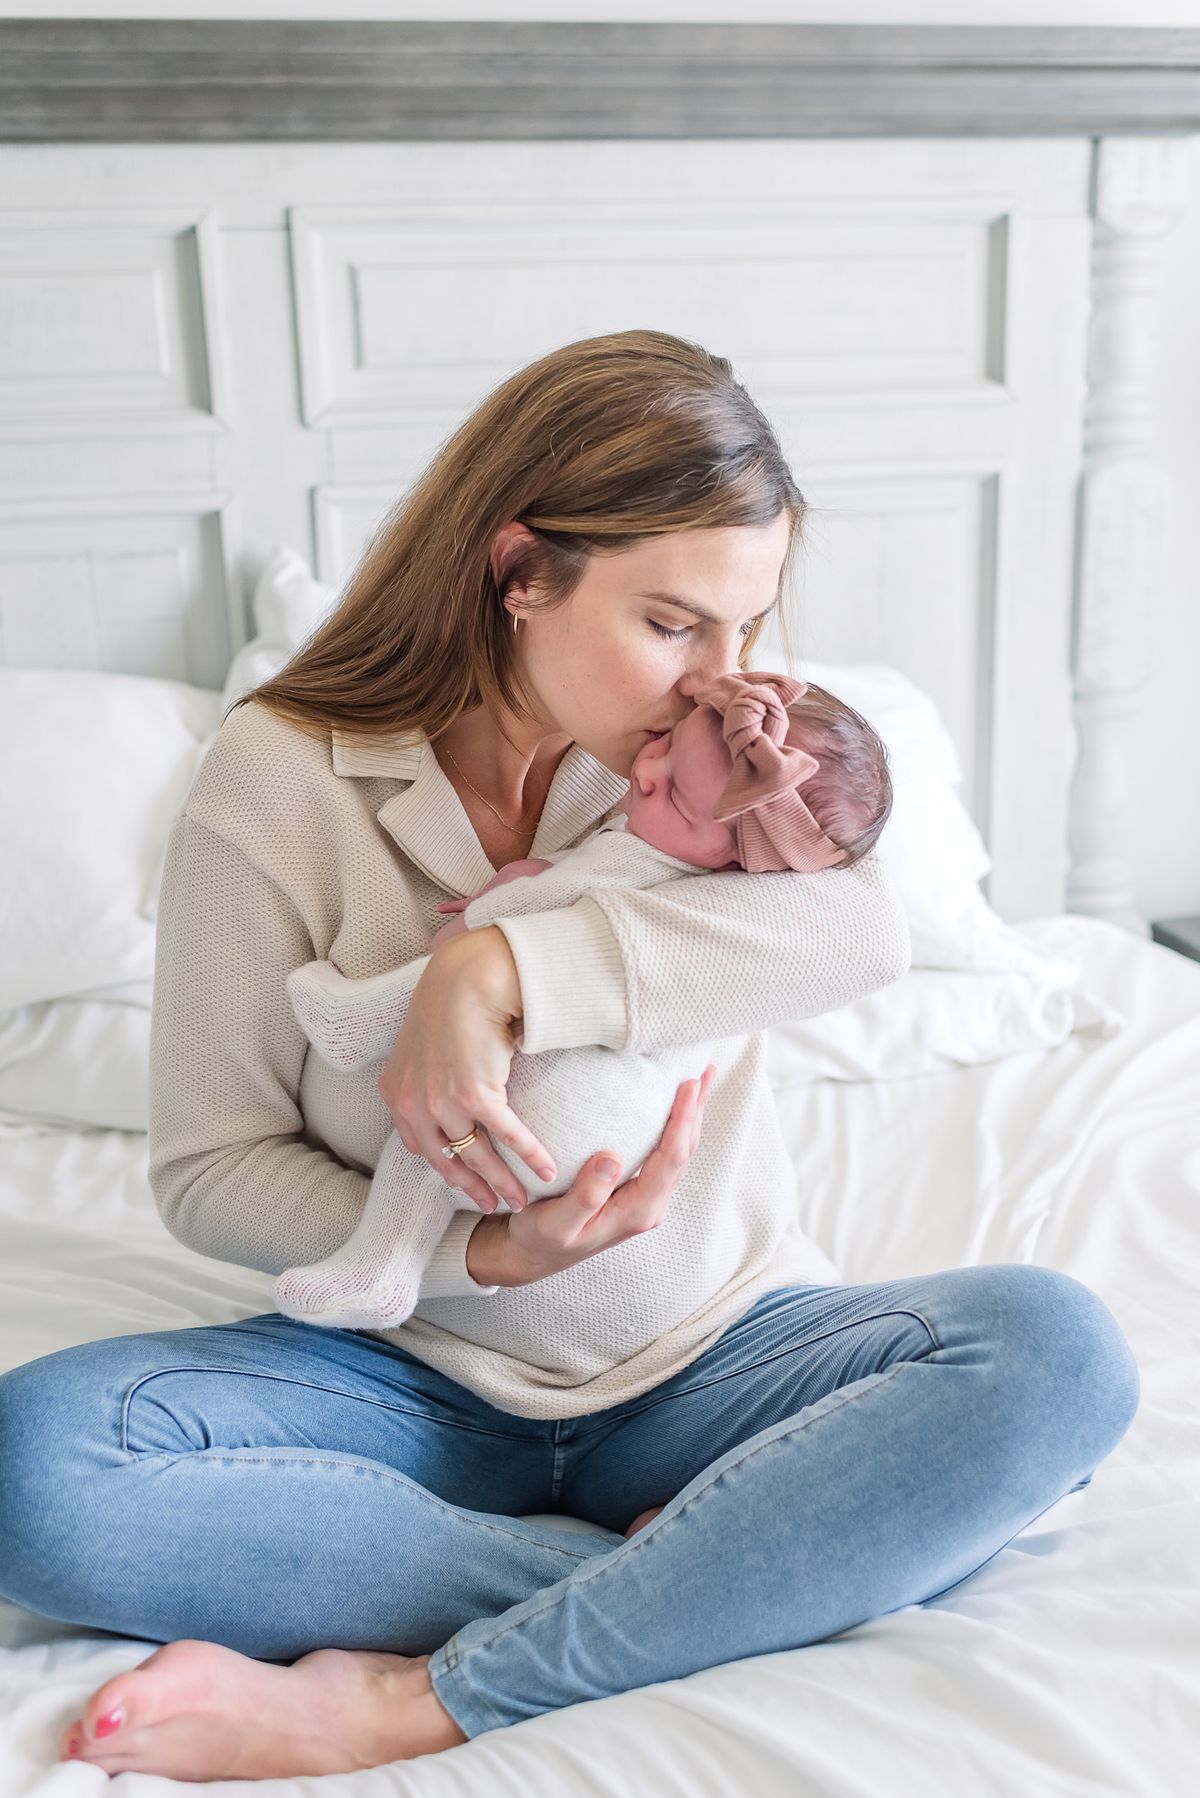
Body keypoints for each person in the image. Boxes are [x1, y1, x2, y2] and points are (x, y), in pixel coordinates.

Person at [0, 329, 1140, 1780]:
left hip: (720, 1353)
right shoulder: (279, 779)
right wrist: (479, 1255)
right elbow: (210, 1173)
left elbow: (862, 933)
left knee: (1056, 1356)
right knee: (35, 1470)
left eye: (748, 627)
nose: (720, 683)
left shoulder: (717, 760)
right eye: (675, 624)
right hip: (408, 1376)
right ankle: (721, 1570)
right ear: (518, 569)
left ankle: (427, 1693)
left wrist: (504, 964)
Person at [272, 671, 893, 1332]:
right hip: (599, 1136)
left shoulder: (670, 872)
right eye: (666, 742)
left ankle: (355, 1032)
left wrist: (488, 926)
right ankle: (387, 1267)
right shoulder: (705, 856)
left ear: (747, 866)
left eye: (676, 793)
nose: (646, 770)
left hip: (578, 1126)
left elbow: (512, 923)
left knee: (440, 1102)